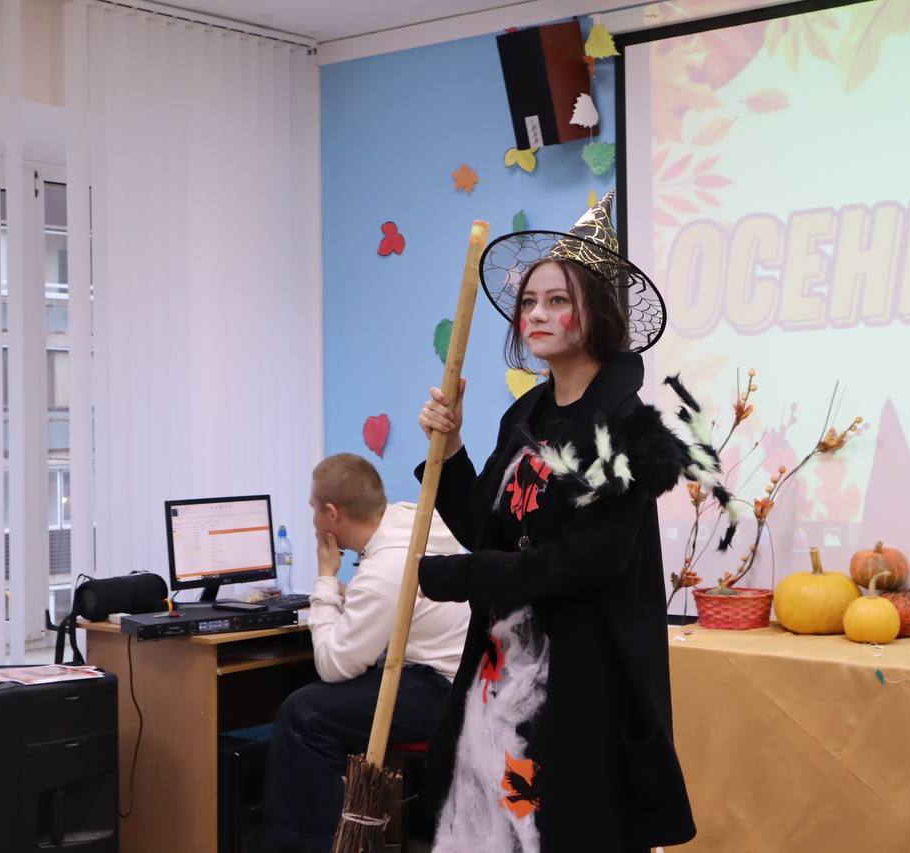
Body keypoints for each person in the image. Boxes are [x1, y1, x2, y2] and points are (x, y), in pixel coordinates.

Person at [414, 190, 708, 852]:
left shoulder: (629, 433)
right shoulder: (524, 417)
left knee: (562, 832)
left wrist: (462, 576)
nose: (537, 315)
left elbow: (583, 563)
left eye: (557, 300)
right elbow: (485, 526)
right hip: (499, 672)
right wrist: (451, 449)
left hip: (580, 687)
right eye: (529, 302)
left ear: (594, 313)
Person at [262, 453, 471, 851]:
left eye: (312, 508)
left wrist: (326, 579)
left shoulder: (383, 571)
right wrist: (348, 597)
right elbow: (385, 603)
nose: (312, 520)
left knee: (303, 715)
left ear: (331, 514)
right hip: (460, 677)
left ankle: (311, 845)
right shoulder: (412, 521)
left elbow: (333, 665)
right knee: (297, 684)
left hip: (439, 690)